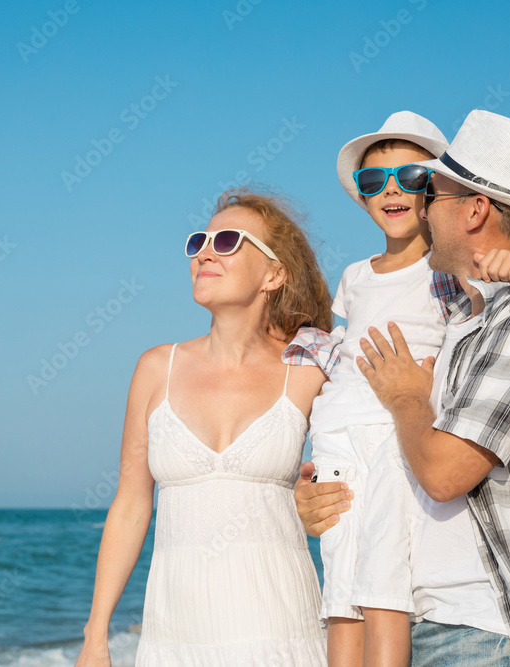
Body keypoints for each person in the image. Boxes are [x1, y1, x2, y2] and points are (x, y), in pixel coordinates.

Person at [300, 110, 510, 666]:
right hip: (437, 619)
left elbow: (445, 472)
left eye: (433, 189)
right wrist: (326, 486)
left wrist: (405, 397)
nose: (423, 204)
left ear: (475, 209)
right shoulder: (464, 314)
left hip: (491, 631)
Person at [76, 189, 333, 666]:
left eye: (230, 240)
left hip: (281, 632)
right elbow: (132, 504)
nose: (205, 253)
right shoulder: (157, 368)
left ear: (274, 273)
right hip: (173, 637)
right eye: (199, 242)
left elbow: (366, 455)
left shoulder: (310, 365)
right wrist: (96, 635)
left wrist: (315, 493)